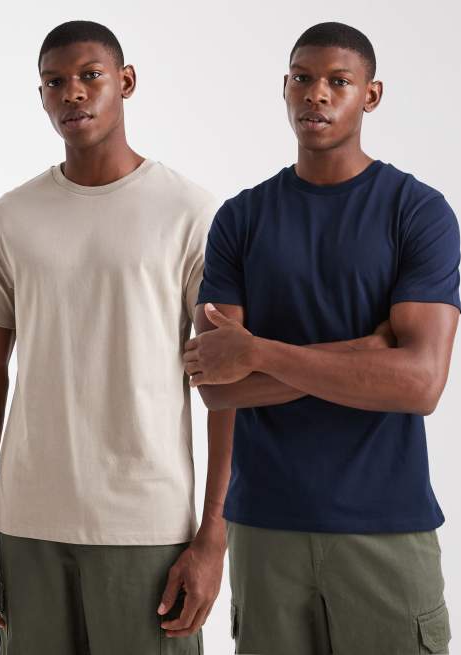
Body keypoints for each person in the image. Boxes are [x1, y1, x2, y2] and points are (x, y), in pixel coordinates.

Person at [187, 21, 460, 655]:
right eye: (302, 79)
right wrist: (368, 354)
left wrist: (258, 352)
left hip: (385, 526)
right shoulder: (241, 218)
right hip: (264, 527)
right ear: (284, 88)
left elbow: (420, 385)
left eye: (339, 81)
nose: (317, 94)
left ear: (372, 95)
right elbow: (217, 387)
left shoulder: (416, 211)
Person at [0, 19, 225, 654]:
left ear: (125, 82)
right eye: (54, 83)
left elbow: (228, 382)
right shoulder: (11, 217)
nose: (72, 92)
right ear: (41, 97)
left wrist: (213, 534)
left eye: (89, 76)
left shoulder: (190, 212)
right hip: (28, 523)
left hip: (147, 524)